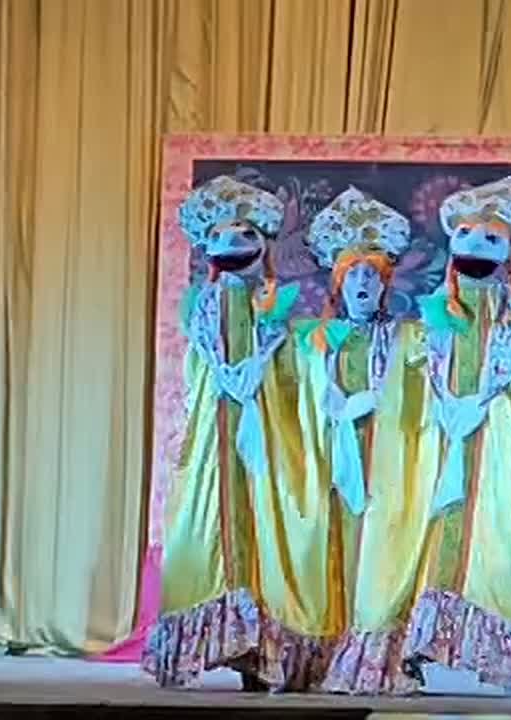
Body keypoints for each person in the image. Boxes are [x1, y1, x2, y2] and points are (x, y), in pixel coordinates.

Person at [144, 175, 327, 690]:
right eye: (222, 236)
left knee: (266, 521)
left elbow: (288, 375)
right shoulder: (206, 305)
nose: (234, 243)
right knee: (215, 524)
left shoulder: (273, 307)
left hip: (265, 432)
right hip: (217, 434)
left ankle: (263, 649)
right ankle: (224, 641)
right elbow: (205, 373)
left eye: (246, 234)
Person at [401, 175, 511, 691]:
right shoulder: (438, 314)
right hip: (441, 440)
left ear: (509, 251)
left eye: (490, 238)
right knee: (433, 534)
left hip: (491, 443)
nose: (475, 245)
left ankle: (488, 650)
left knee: (486, 535)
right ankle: (420, 642)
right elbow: (420, 375)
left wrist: (478, 404)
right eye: (465, 234)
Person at [293, 188, 433, 695]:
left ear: (386, 284)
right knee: (328, 548)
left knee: (380, 552)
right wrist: (333, 404)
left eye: (372, 275)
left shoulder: (406, 337)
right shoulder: (313, 340)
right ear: (337, 281)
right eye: (352, 275)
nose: (362, 284)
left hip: (386, 468)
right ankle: (325, 650)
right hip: (330, 464)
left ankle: (377, 654)